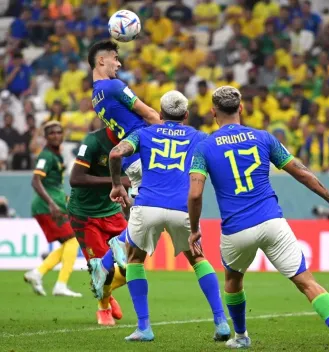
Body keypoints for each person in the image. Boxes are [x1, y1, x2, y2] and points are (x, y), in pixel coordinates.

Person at [187, 86, 329, 351]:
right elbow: (300, 172)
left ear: (213, 112)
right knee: (306, 281)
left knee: (233, 281)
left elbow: (195, 195)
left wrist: (195, 229)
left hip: (236, 230)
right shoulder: (264, 138)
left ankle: (241, 336)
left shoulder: (204, 147)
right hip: (272, 222)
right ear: (241, 108)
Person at [108, 90, 231, 342]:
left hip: (147, 205)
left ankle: (144, 327)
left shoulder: (143, 133)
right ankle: (220, 322)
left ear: (160, 114)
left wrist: (116, 185)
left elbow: (115, 154)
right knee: (197, 259)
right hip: (181, 207)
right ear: (186, 115)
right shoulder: (199, 137)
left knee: (134, 260)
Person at [68, 127, 130, 326]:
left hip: (111, 211)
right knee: (105, 269)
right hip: (85, 215)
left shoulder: (133, 141)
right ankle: (103, 308)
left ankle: (105, 291)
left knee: (132, 265)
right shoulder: (93, 141)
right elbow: (75, 179)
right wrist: (116, 181)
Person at [88, 39, 161, 197]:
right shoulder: (113, 85)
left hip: (129, 161)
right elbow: (148, 113)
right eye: (115, 58)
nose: (119, 64)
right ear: (101, 60)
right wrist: (174, 132)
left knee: (143, 212)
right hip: (144, 152)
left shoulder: (95, 98)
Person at [25, 121, 81, 298]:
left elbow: (54, 185)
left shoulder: (57, 156)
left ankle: (38, 273)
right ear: (45, 137)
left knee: (69, 242)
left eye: (59, 132)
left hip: (55, 205)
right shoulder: (46, 156)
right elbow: (35, 180)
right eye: (51, 133)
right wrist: (51, 203)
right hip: (47, 207)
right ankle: (60, 284)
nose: (56, 135)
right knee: (73, 240)